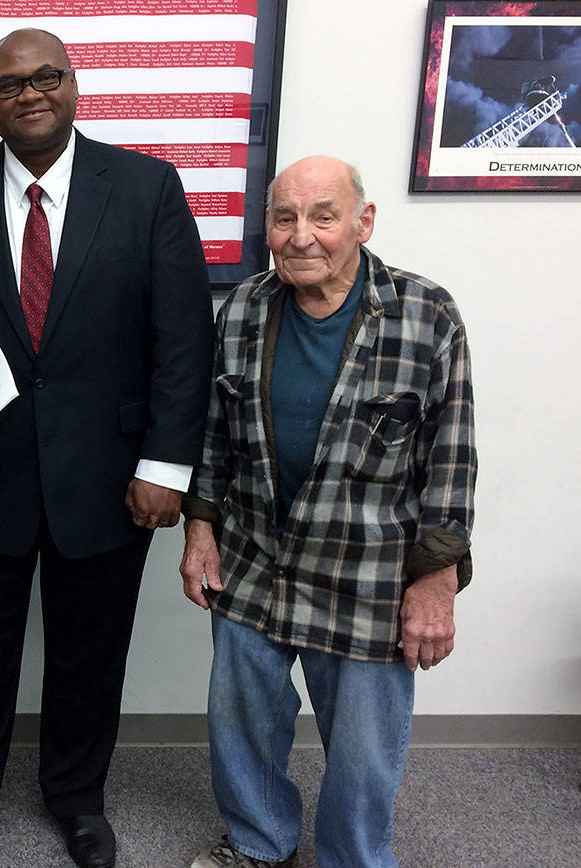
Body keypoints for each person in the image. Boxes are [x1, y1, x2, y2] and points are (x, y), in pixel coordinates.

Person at [0, 28, 214, 868]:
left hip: (113, 478)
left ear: (74, 86)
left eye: (46, 78)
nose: (29, 94)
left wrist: (165, 466)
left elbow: (182, 339)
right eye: (9, 85)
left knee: (89, 652)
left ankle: (77, 799)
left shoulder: (147, 188)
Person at [180, 156, 476, 868]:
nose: (302, 236)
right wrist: (199, 528)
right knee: (240, 721)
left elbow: (452, 453)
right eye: (285, 218)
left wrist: (435, 583)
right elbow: (214, 433)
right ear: (267, 228)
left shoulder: (425, 313)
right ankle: (257, 841)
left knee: (364, 748)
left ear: (362, 221)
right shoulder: (245, 307)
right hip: (255, 557)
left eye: (323, 216)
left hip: (366, 568)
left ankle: (354, 858)